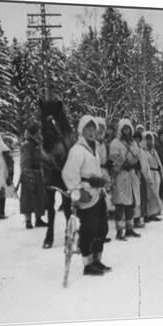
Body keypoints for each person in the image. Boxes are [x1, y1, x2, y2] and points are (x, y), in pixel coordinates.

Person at [62, 115, 110, 275]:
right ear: (81, 130)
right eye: (87, 128)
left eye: (93, 128)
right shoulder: (77, 150)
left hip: (98, 193)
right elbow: (69, 173)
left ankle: (97, 259)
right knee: (88, 230)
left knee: (101, 228)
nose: (91, 132)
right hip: (86, 195)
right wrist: (78, 191)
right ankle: (87, 264)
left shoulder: (94, 148)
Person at [109, 119, 142, 240]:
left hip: (131, 175)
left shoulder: (133, 143)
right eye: (124, 128)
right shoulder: (115, 143)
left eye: (128, 129)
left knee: (130, 204)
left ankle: (129, 228)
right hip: (120, 175)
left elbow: (137, 156)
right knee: (120, 204)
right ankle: (119, 231)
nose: (126, 131)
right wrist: (123, 163)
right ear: (121, 129)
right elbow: (113, 158)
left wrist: (135, 163)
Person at [19, 121, 47, 229]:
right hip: (29, 175)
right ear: (34, 133)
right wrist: (28, 174)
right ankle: (28, 221)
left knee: (39, 197)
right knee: (28, 199)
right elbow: (25, 162)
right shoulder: (28, 145)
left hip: (37, 174)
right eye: (38, 131)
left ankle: (38, 219)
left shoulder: (36, 144)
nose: (40, 133)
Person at [141, 131, 163, 221]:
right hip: (148, 172)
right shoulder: (143, 151)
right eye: (147, 139)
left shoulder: (154, 151)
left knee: (155, 193)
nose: (149, 142)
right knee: (149, 194)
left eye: (150, 139)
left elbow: (159, 163)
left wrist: (162, 174)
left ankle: (153, 213)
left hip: (156, 173)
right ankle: (146, 214)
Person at [133, 130, 150, 228]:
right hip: (135, 174)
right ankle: (135, 219)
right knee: (136, 198)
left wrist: (146, 174)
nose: (136, 140)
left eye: (138, 139)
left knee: (141, 197)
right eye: (135, 138)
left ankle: (139, 217)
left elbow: (144, 163)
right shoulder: (132, 149)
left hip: (141, 175)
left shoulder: (141, 150)